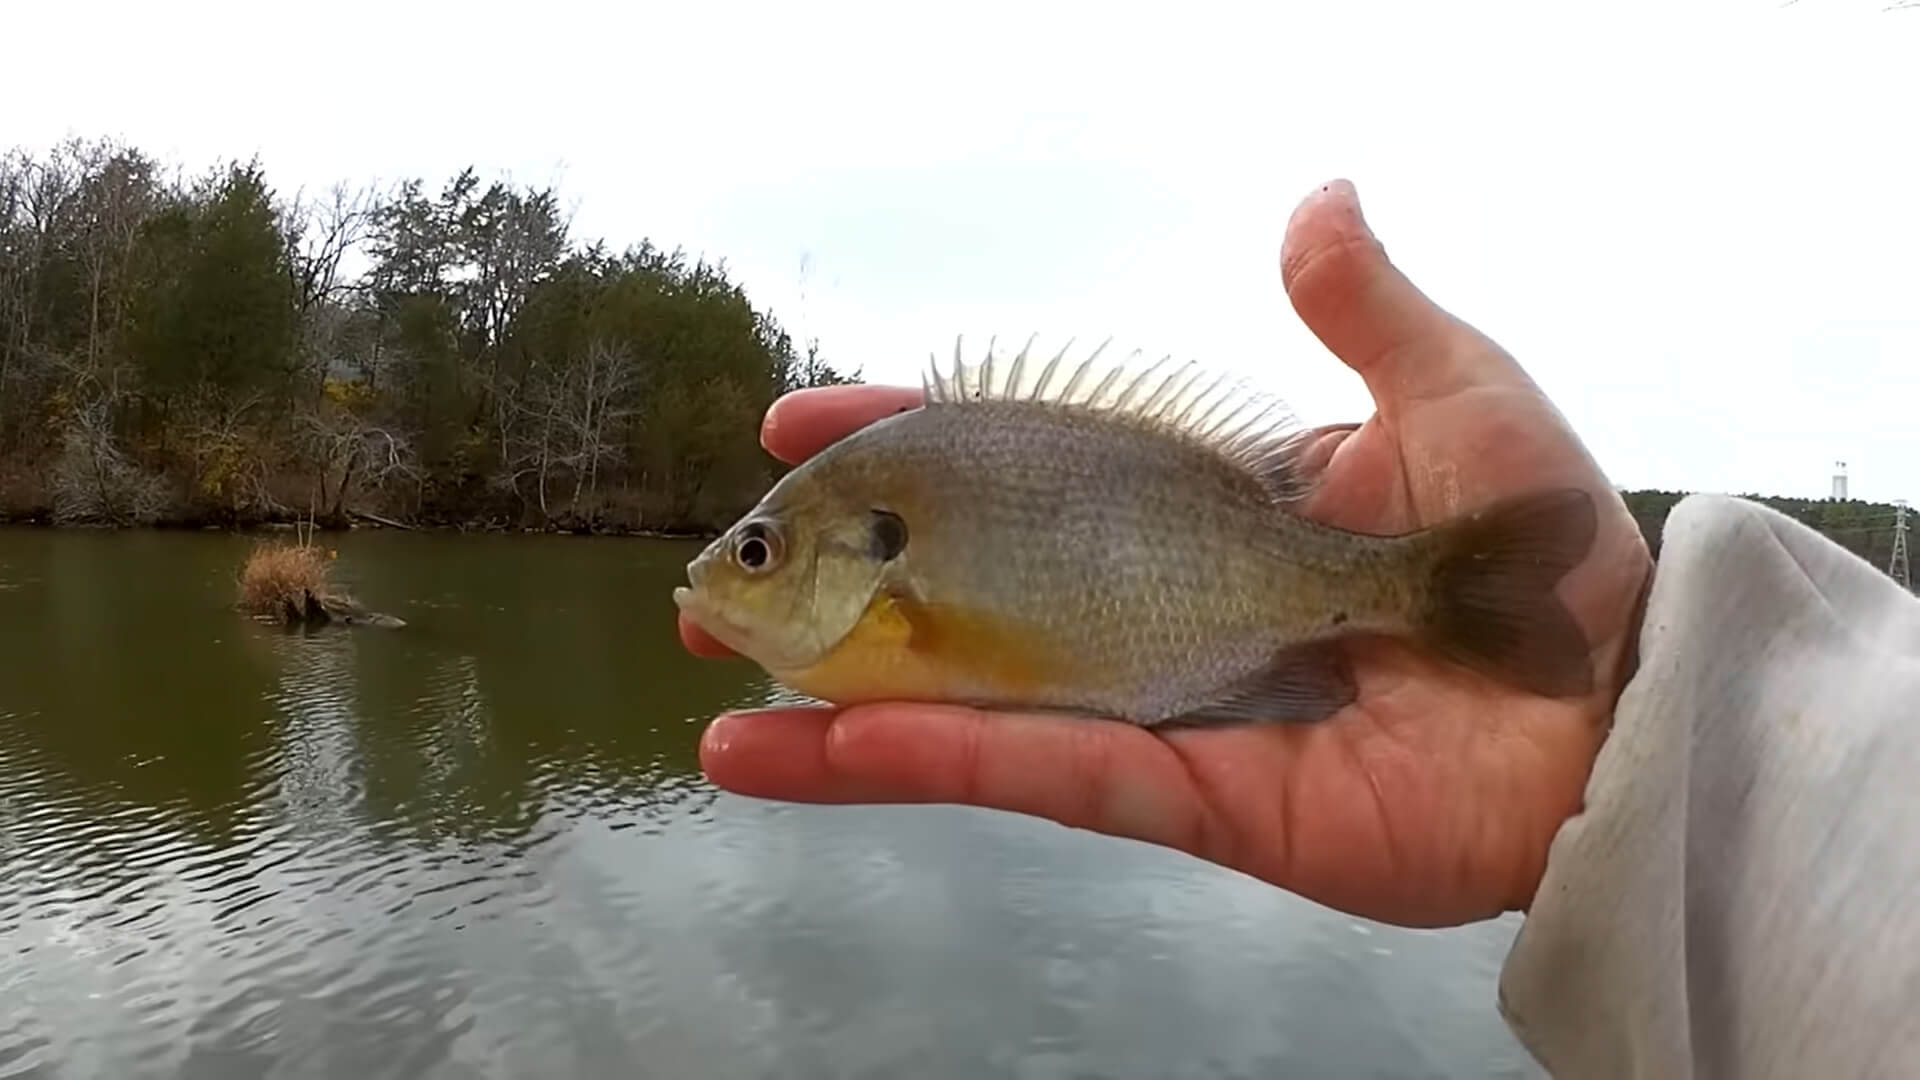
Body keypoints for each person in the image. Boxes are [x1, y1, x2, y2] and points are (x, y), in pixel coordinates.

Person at [677, 179, 1920, 1077]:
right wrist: (1647, 732)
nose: (733, 573)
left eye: (759, 552)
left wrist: (1621, 712)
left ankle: (1440, 596)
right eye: (753, 548)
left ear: (872, 558)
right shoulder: (881, 552)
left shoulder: (897, 580)